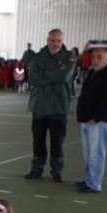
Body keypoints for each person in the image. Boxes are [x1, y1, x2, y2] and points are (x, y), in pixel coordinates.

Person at [25, 29, 75, 183]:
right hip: (39, 106)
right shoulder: (37, 57)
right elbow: (33, 79)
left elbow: (64, 76)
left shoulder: (70, 57)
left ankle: (57, 170)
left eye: (58, 41)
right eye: (52, 40)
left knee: (57, 142)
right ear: (47, 40)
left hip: (59, 106)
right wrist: (54, 75)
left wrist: (44, 74)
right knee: (38, 141)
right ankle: (36, 168)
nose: (55, 44)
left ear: (62, 40)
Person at [75, 47, 107, 194]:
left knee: (96, 154)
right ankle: (89, 179)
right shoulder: (92, 72)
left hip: (98, 122)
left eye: (99, 57)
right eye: (94, 57)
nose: (95, 60)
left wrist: (97, 117)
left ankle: (94, 184)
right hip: (86, 119)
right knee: (88, 154)